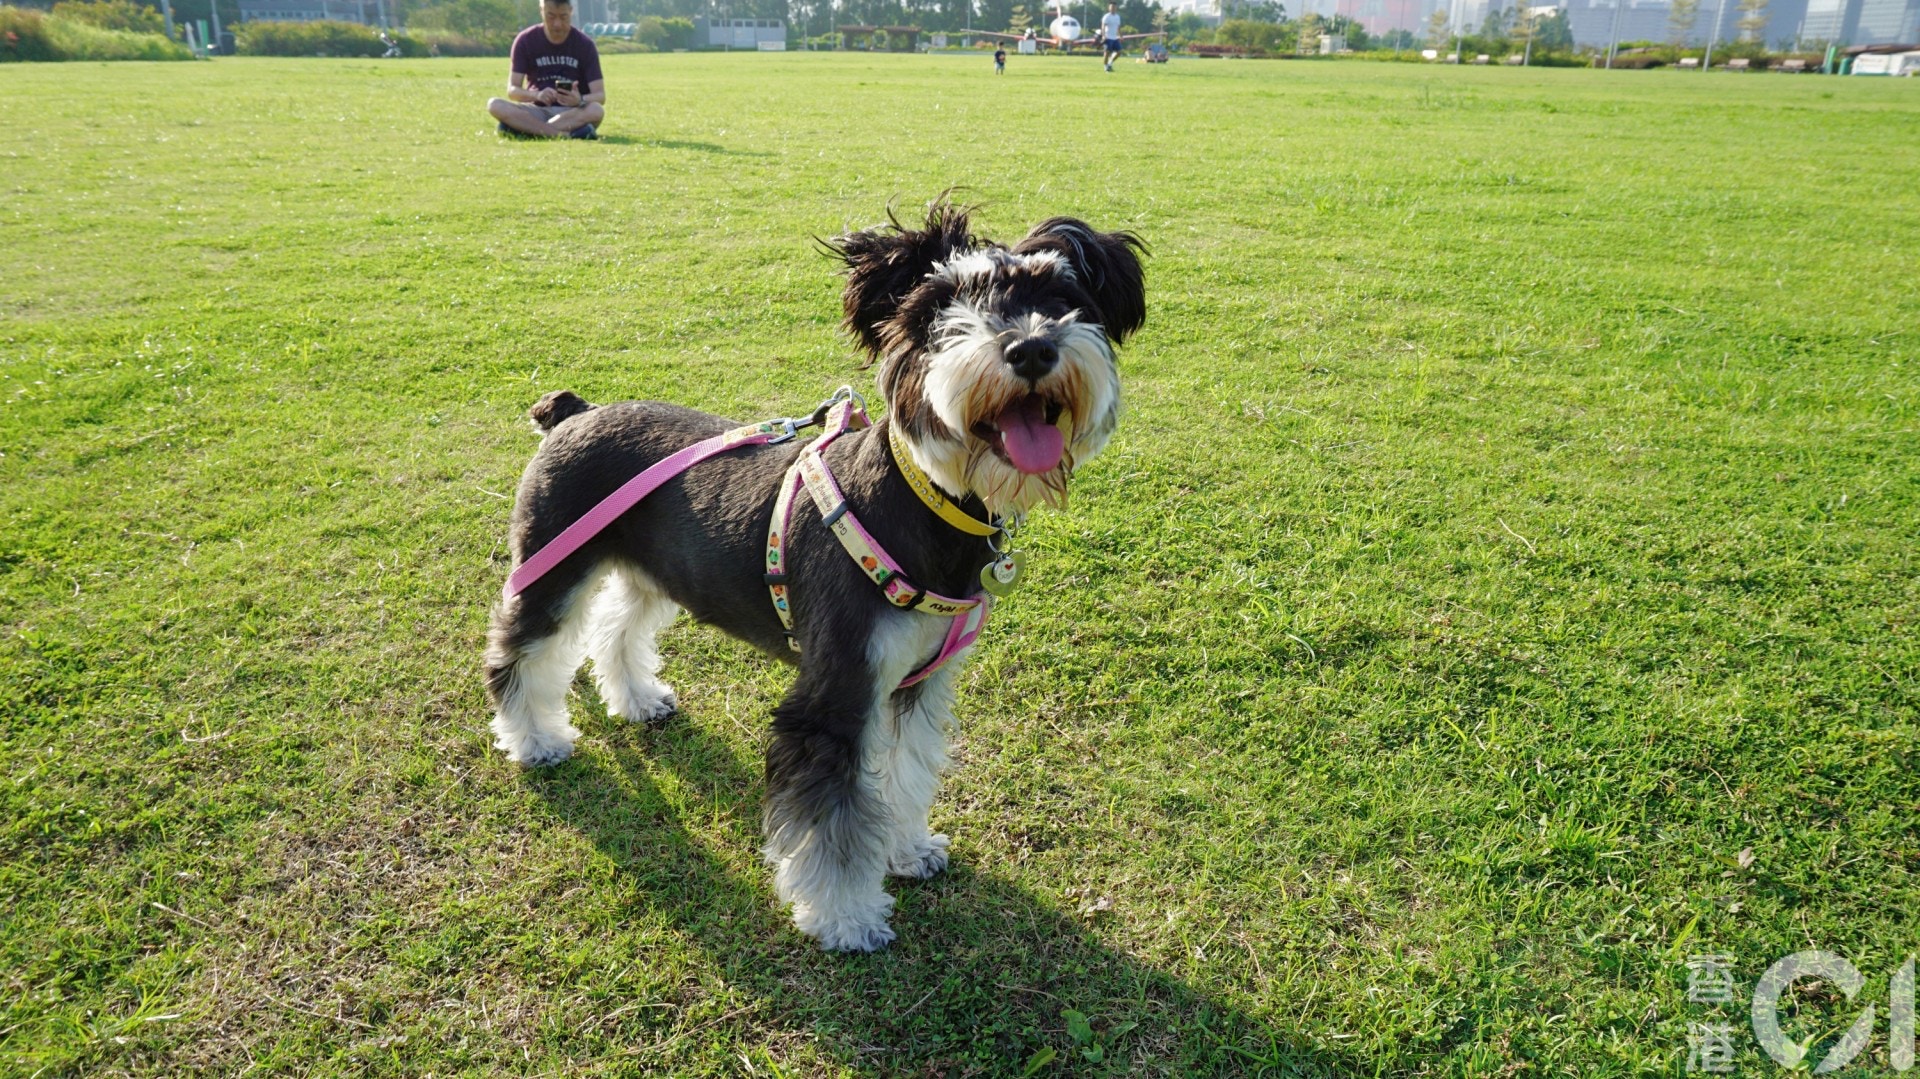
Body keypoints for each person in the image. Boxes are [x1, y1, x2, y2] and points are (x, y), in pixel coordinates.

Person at [486, 0, 605, 140]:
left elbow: (600, 95)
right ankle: (566, 135)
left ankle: (527, 130)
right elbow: (513, 90)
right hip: (536, 110)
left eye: (563, 17)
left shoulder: (585, 44)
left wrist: (579, 100)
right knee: (494, 104)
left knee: (596, 110)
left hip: (572, 113)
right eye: (551, 16)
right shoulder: (525, 40)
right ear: (541, 11)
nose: (557, 24)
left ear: (571, 11)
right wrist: (537, 95)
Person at [1100, 2, 1123, 71]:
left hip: (1115, 38)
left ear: (1116, 8)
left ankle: (1110, 63)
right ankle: (1105, 67)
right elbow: (1103, 26)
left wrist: (1120, 36)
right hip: (1108, 37)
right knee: (1107, 52)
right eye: (1111, 7)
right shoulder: (1106, 16)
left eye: (1114, 7)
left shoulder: (1117, 17)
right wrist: (1103, 35)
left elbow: (1118, 27)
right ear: (1109, 8)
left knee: (1119, 52)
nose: (1113, 8)